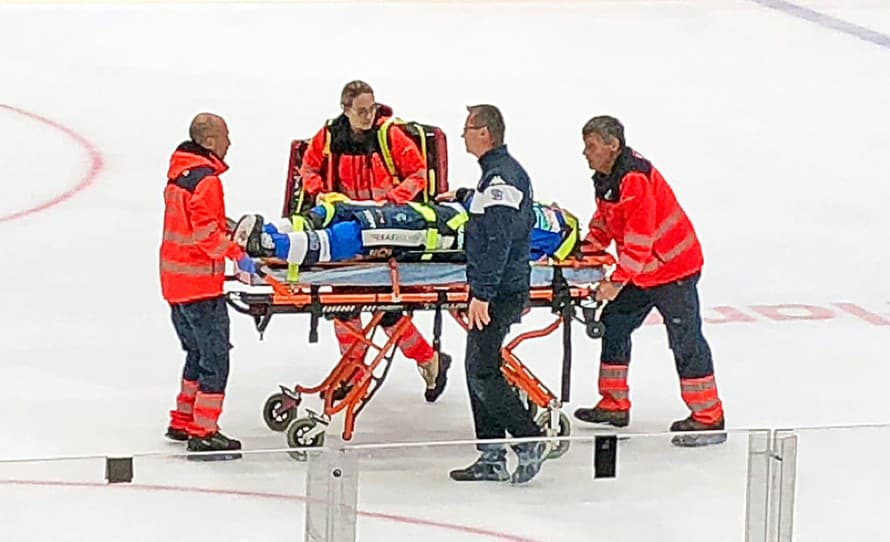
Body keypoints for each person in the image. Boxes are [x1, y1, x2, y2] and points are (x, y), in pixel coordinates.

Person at [571, 115, 726, 447]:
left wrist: (615, 282)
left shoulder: (635, 179)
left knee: (685, 339)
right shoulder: (606, 176)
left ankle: (709, 417)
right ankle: (614, 404)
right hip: (645, 270)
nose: (585, 153)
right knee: (614, 323)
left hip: (673, 269)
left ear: (613, 146)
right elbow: (607, 219)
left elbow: (640, 237)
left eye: (592, 146)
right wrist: (588, 246)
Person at [297, 80, 449, 402]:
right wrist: (321, 194)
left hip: (386, 232)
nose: (369, 116)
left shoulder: (389, 135)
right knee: (344, 305)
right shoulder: (327, 138)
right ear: (345, 110)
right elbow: (307, 168)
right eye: (362, 111)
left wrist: (392, 202)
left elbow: (418, 174)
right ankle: (353, 372)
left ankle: (427, 359)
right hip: (348, 232)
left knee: (388, 309)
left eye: (372, 109)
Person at [446, 105, 548, 484]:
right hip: (500, 287)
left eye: (468, 129)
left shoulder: (502, 178)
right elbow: (491, 214)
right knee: (479, 367)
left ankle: (527, 439)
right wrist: (460, 194)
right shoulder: (496, 177)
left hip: (500, 290)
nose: (463, 136)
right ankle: (491, 455)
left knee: (482, 370)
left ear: (485, 132)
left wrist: (483, 293)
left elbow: (498, 239)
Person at [160, 113, 258, 460]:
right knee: (215, 357)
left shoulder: (179, 176)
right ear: (210, 141)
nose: (230, 143)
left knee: (196, 354)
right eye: (226, 136)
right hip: (200, 284)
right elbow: (205, 237)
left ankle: (183, 418)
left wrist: (225, 228)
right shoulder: (207, 181)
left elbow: (195, 225)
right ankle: (204, 431)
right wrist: (237, 253)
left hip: (175, 284)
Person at [232, 196, 580, 267]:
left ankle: (269, 245)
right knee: (343, 208)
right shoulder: (539, 213)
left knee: (361, 231)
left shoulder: (552, 234)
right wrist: (461, 195)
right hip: (437, 216)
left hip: (441, 236)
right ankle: (271, 231)